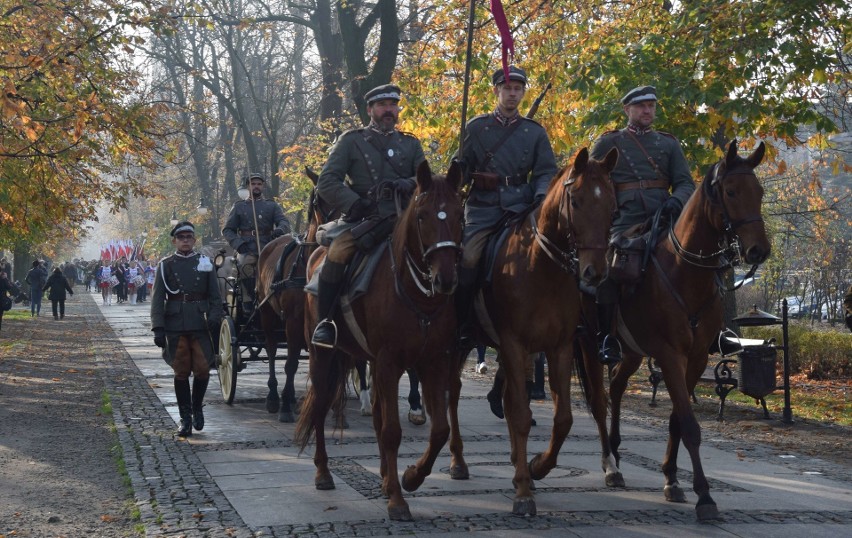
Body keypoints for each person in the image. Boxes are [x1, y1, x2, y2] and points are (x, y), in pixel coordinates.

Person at [454, 65, 558, 420]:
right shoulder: (475, 128)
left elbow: (546, 170)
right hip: (483, 211)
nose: (513, 93)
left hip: (521, 208)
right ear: (496, 91)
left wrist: (541, 196)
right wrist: (463, 170)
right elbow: (460, 174)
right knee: (467, 260)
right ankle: (463, 323)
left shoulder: (534, 133)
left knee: (547, 263)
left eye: (518, 88)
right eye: (507, 87)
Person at [310, 83, 426, 348]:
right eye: (382, 105)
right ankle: (325, 322)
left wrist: (408, 183)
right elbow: (327, 182)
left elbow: (425, 180)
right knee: (338, 252)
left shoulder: (411, 144)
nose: (389, 110)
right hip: (366, 219)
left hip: (404, 219)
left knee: (445, 249)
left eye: (393, 105)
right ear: (370, 109)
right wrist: (355, 203)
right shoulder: (352, 141)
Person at [589, 85, 696, 364]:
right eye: (641, 107)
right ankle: (607, 337)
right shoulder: (608, 143)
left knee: (701, 257)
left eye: (651, 106)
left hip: (665, 219)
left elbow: (685, 182)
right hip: (625, 222)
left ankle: (705, 327)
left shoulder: (669, 144)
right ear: (628, 110)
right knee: (608, 269)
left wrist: (678, 200)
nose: (647, 111)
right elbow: (590, 183)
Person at [150, 221, 222, 438]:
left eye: (189, 237)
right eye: (181, 237)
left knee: (202, 369)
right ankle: (185, 417)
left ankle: (197, 406)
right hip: (175, 324)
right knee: (181, 372)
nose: (185, 241)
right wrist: (158, 328)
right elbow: (157, 299)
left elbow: (214, 294)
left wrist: (216, 315)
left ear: (194, 240)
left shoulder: (205, 262)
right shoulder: (165, 265)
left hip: (200, 323)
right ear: (174, 241)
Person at [222, 173, 291, 312]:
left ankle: (279, 296)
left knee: (284, 267)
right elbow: (228, 230)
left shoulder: (272, 206)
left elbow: (284, 222)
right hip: (247, 247)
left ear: (263, 186)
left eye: (259, 184)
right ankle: (250, 300)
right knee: (244, 266)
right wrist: (239, 244)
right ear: (248, 186)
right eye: (253, 184)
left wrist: (279, 230)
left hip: (270, 245)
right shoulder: (239, 207)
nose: (256, 186)